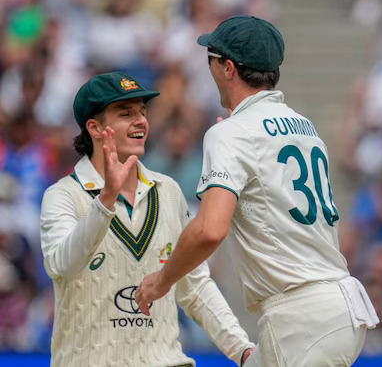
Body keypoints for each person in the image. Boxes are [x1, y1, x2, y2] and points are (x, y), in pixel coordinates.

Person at [135, 15, 379, 366]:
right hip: (338, 307)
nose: (210, 68)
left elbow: (209, 230)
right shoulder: (305, 126)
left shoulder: (230, 134)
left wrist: (162, 281)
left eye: (212, 59)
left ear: (229, 68)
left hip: (300, 315)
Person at [39, 71, 254, 367]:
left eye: (142, 111)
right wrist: (106, 201)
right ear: (94, 127)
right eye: (126, 113)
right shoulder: (62, 195)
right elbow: (61, 264)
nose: (141, 120)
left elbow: (195, 285)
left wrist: (242, 350)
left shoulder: (168, 192)